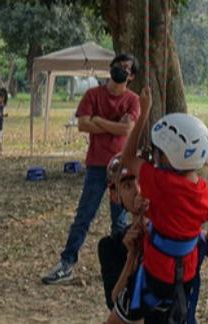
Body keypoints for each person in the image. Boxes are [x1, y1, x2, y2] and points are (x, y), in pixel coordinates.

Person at [108, 88, 208, 324]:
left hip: (156, 277)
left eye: (157, 152)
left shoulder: (161, 183)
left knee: (116, 317)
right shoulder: (203, 190)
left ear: (168, 156)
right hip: (184, 276)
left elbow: (126, 159)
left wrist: (143, 111)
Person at [98, 153, 208, 320]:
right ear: (115, 195)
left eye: (141, 180)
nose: (138, 190)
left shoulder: (176, 233)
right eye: (128, 185)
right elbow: (114, 303)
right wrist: (132, 257)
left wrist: (193, 234)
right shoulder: (111, 245)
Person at [42, 55, 139, 285]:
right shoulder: (92, 94)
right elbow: (83, 125)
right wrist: (111, 126)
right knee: (84, 216)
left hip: (122, 167)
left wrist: (99, 120)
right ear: (111, 68)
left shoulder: (133, 100)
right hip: (96, 165)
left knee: (120, 221)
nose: (120, 71)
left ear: (132, 76)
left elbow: (126, 129)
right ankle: (67, 264)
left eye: (126, 68)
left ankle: (122, 266)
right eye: (118, 66)